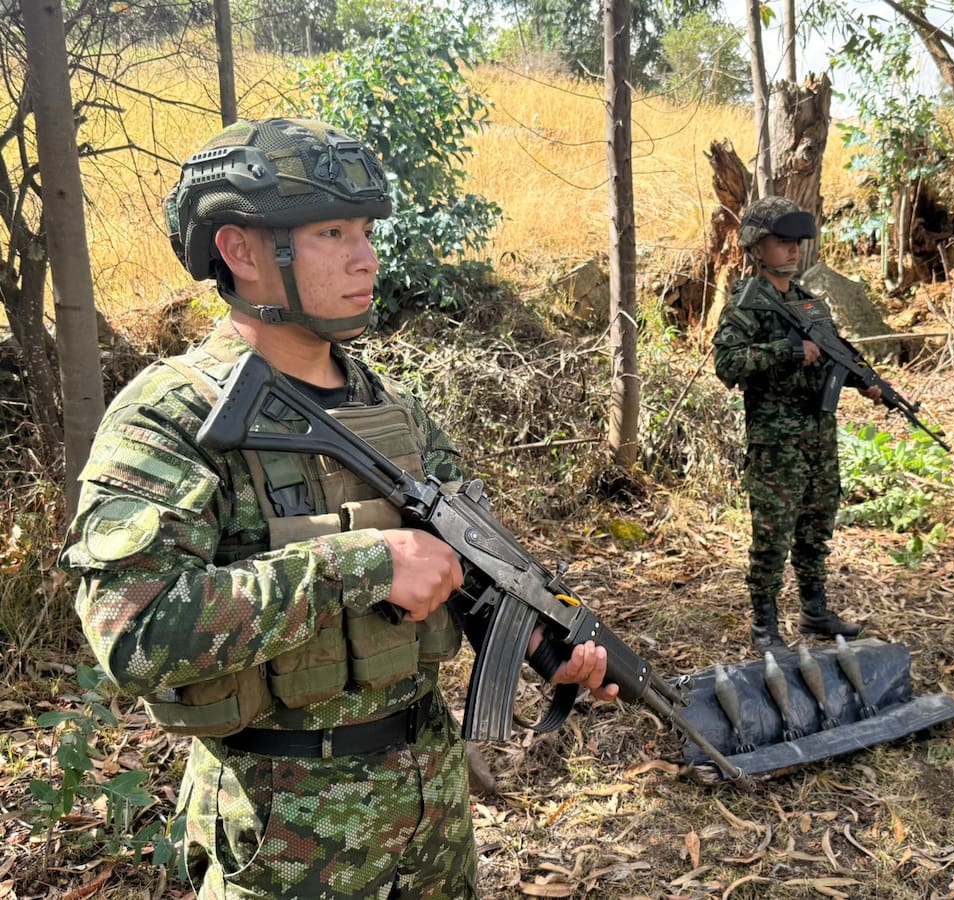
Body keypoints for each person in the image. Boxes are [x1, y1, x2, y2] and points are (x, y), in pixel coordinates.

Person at [59, 117, 617, 898]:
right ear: (241, 250)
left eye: (365, 231)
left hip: (433, 825)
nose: (367, 258)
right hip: (286, 841)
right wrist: (359, 566)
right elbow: (135, 634)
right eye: (331, 232)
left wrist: (541, 641)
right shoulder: (170, 418)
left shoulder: (396, 411)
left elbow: (471, 573)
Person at [712, 196, 883, 655]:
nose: (792, 251)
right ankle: (764, 622)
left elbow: (831, 360)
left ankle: (814, 608)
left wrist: (861, 381)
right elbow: (727, 364)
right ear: (757, 246)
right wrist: (786, 351)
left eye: (797, 243)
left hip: (818, 439)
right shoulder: (748, 304)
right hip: (776, 444)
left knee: (815, 525)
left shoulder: (811, 305)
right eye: (782, 243)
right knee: (772, 533)